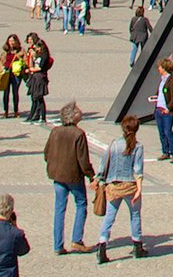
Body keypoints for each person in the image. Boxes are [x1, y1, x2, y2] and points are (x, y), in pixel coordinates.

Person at [94, 115, 148, 262]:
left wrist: (98, 179)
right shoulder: (138, 147)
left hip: (114, 186)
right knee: (135, 215)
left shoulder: (114, 144)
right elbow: (138, 170)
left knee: (109, 217)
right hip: (130, 186)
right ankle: (137, 245)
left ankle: (102, 245)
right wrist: (139, 189)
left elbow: (104, 163)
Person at [42, 103, 94, 254]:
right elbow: (83, 160)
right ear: (74, 116)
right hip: (73, 176)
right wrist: (91, 176)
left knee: (59, 209)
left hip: (57, 175)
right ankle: (77, 239)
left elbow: (46, 153)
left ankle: (58, 245)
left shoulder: (55, 132)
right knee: (81, 204)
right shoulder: (78, 134)